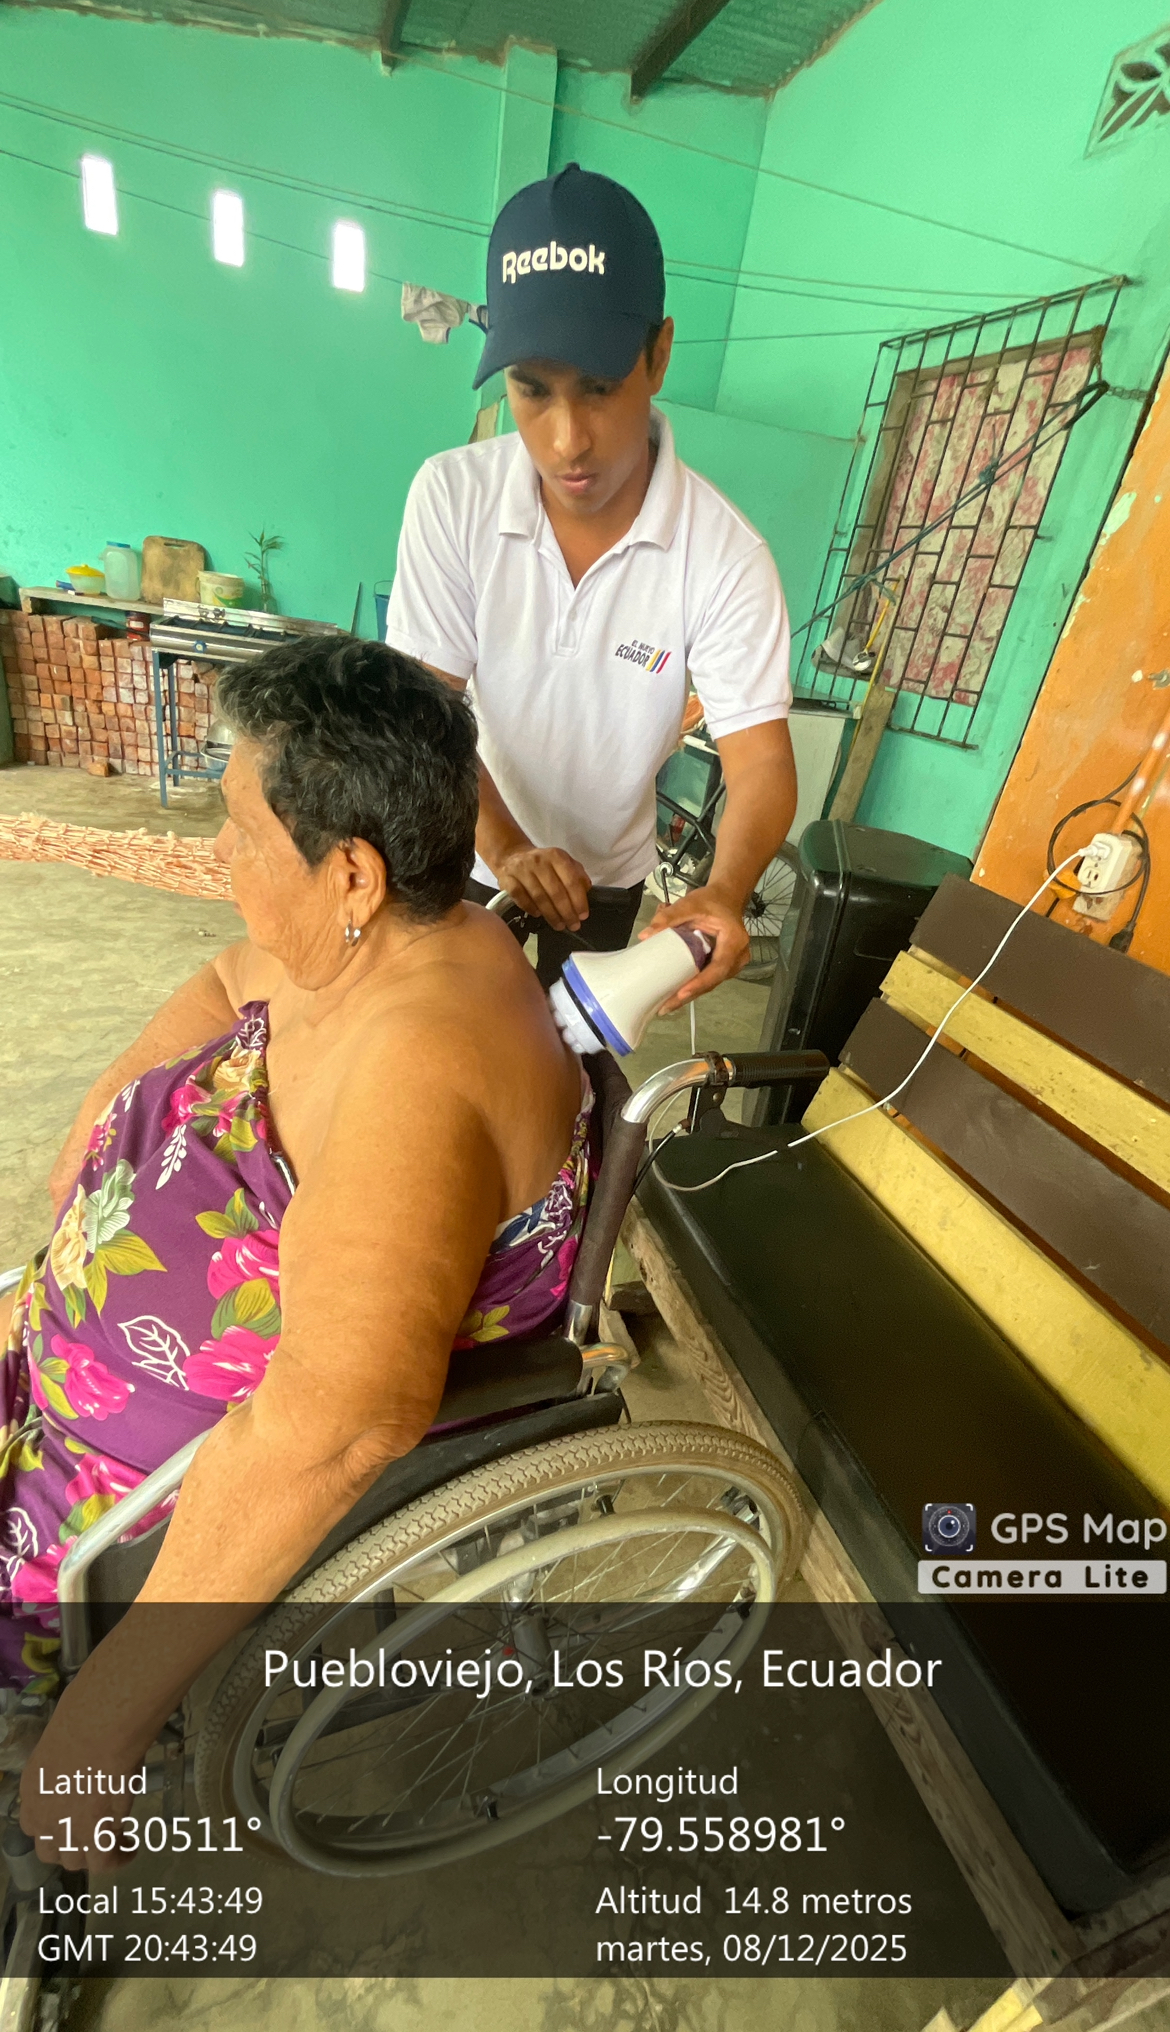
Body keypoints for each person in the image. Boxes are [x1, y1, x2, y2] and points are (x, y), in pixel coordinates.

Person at [0, 635, 591, 1849]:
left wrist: (100, 1731)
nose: (219, 852)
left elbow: (340, 1425)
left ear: (352, 872)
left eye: (240, 827)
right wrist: (98, 1138)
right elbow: (232, 978)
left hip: (112, 1506)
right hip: (55, 1386)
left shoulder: (419, 1073)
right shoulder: (400, 927)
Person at [386, 163, 798, 1002]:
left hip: (609, 881)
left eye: (600, 389)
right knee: (449, 1041)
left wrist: (723, 890)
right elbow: (424, 714)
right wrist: (505, 848)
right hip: (466, 850)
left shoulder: (725, 554)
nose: (567, 440)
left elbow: (760, 759)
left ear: (659, 355)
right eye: (532, 391)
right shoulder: (452, 498)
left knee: (574, 1058)